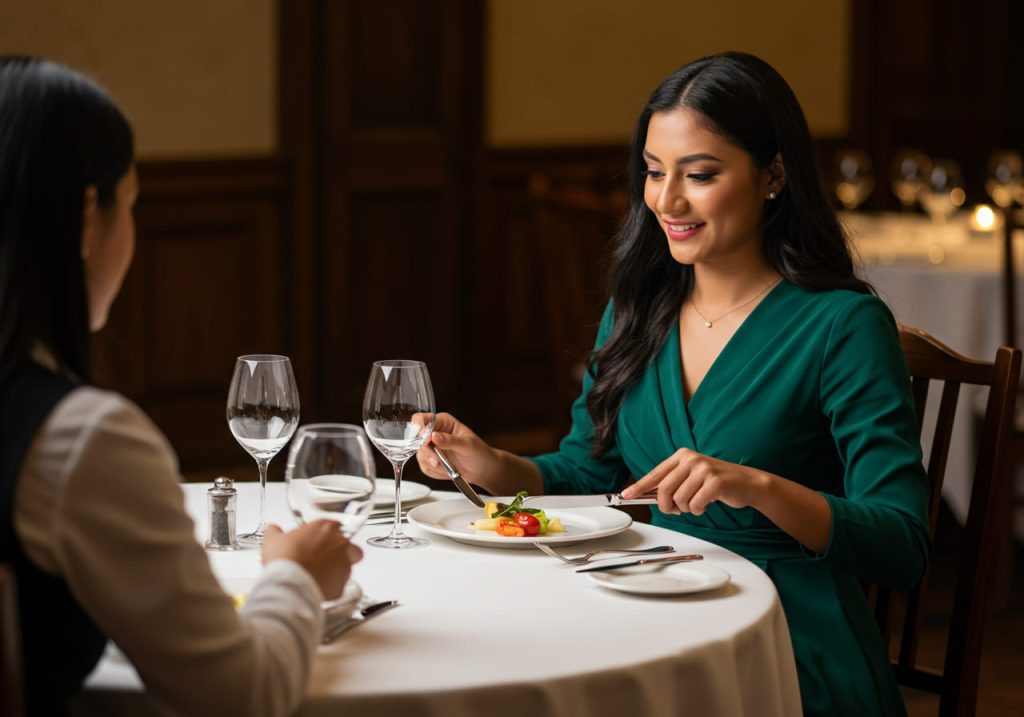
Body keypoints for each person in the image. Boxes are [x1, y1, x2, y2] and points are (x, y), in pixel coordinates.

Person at [416, 52, 930, 717]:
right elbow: (589, 468)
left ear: (773, 174)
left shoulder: (843, 325)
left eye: (701, 174)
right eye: (654, 172)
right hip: (650, 603)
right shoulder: (641, 306)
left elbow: (903, 542)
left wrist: (758, 485)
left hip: (783, 637)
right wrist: (496, 464)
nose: (667, 200)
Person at [0, 57, 362, 716]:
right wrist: (296, 574)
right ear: (88, 218)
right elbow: (242, 695)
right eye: (131, 203)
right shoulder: (79, 440)